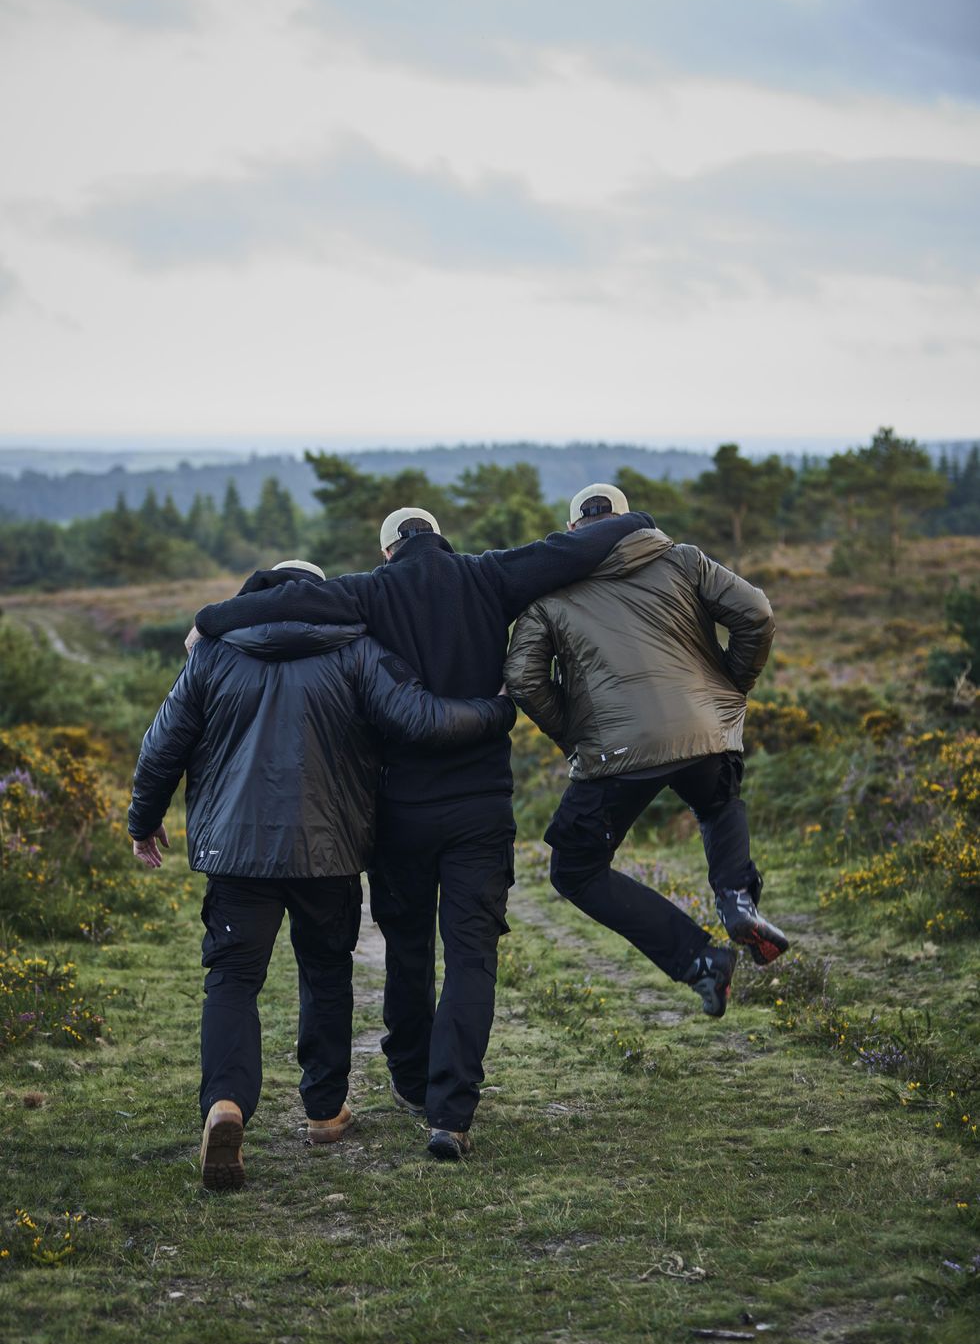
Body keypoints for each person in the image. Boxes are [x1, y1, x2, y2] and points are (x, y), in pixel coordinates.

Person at [190, 507, 654, 1160]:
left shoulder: (367, 591)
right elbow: (564, 553)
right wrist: (634, 519)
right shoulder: (490, 575)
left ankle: (409, 1078)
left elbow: (293, 599)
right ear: (442, 537)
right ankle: (450, 1114)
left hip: (401, 811)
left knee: (408, 950)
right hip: (480, 810)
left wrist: (211, 619)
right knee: (471, 954)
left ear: (387, 549)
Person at [129, 560, 514, 1188]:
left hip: (235, 852)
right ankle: (324, 1111)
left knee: (231, 979)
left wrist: (143, 819)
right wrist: (496, 709)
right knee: (327, 974)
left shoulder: (214, 654)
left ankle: (226, 1104)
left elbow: (163, 743)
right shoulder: (355, 651)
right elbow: (420, 719)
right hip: (328, 851)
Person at [503, 484, 787, 1019]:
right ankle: (737, 898)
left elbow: (521, 677)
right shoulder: (682, 560)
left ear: (572, 533)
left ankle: (701, 960)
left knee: (575, 871)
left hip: (614, 751)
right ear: (629, 521)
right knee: (717, 803)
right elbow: (757, 614)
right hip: (705, 731)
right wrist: (729, 686)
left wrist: (576, 732)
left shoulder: (550, 589)